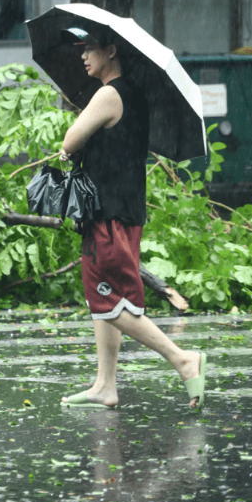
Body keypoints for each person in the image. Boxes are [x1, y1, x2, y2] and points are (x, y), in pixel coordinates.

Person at [58, 27, 207, 408]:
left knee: (109, 298)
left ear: (111, 51)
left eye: (90, 48)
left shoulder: (108, 94)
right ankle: (105, 385)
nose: (83, 56)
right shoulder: (134, 96)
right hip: (123, 210)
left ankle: (182, 359)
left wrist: (74, 139)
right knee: (104, 299)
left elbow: (69, 140)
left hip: (109, 212)